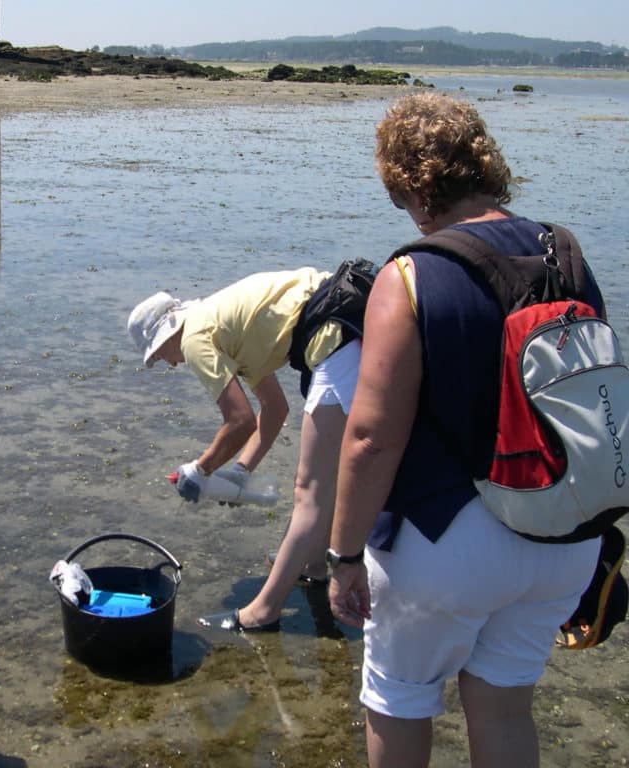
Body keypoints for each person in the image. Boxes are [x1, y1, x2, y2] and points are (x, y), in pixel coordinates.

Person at [327, 92, 604, 767]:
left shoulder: (411, 274)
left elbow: (371, 436)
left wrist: (340, 557)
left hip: (446, 542)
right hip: (563, 535)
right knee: (506, 707)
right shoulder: (562, 251)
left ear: (413, 190)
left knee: (399, 695)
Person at [127, 267, 364, 632]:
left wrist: (199, 469)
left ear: (167, 335)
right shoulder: (224, 328)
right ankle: (314, 565)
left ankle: (263, 611)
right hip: (345, 319)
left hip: (334, 331)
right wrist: (240, 472)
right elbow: (273, 409)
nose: (168, 364)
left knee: (309, 488)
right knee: (325, 474)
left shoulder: (194, 339)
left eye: (159, 355)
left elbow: (239, 422)